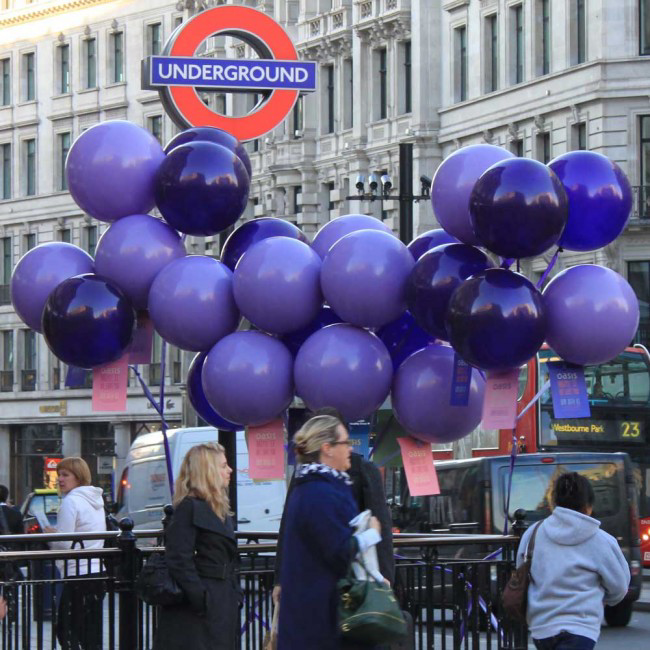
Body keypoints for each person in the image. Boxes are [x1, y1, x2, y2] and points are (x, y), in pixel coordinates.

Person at [277, 414, 384, 650]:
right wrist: (372, 534)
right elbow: (339, 550)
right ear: (327, 448)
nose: (350, 448)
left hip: (320, 613)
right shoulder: (319, 493)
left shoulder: (318, 486)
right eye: (345, 442)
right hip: (319, 619)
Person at [517, 472, 630, 649]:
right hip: (581, 629)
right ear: (588, 505)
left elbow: (522, 574)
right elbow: (619, 587)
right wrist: (604, 598)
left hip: (542, 629)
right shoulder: (602, 540)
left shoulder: (533, 533)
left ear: (553, 502)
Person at [153, 442, 239, 650]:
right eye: (223, 465)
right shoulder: (189, 508)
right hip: (197, 609)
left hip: (219, 598)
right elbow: (179, 558)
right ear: (208, 470)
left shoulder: (217, 508)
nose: (230, 470)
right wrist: (200, 598)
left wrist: (234, 592)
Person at [46, 457, 107, 650]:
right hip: (97, 570)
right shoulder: (96, 500)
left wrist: (51, 534)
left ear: (78, 477)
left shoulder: (71, 502)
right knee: (91, 632)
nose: (60, 479)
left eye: (65, 475)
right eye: (59, 475)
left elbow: (64, 542)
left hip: (77, 573)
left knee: (66, 630)